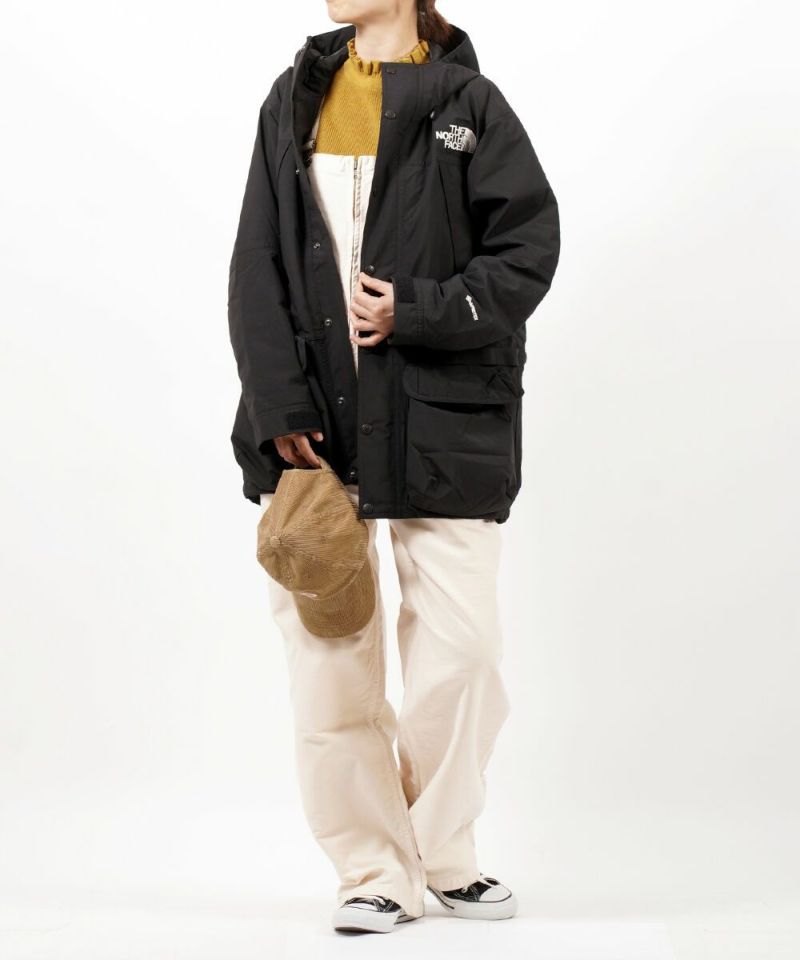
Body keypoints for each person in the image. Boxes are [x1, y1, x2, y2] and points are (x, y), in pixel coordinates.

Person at [227, 0, 560, 934]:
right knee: (330, 665)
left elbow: (527, 249)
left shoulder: (470, 105)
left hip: (444, 419)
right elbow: (256, 262)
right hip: (315, 429)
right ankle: (372, 869)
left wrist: (418, 310)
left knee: (466, 653)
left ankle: (440, 851)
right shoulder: (293, 97)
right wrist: (280, 407)